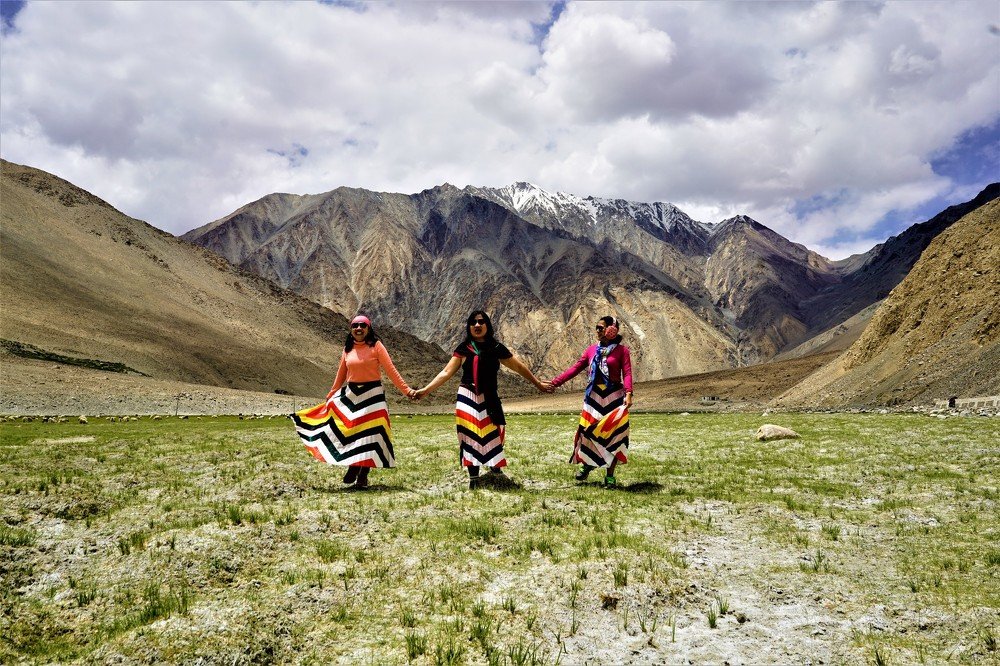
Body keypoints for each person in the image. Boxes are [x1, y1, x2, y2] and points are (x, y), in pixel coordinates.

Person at [415, 310, 549, 489]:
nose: (477, 325)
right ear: (469, 327)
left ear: (487, 325)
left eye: (481, 322)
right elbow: (446, 372)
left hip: (489, 396)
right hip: (467, 395)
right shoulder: (464, 349)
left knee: (495, 431)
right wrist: (426, 390)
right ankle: (474, 477)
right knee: (469, 434)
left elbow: (518, 366)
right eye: (473, 322)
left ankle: (494, 465)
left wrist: (537, 383)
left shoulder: (496, 348)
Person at [292, 315, 415, 488]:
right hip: (352, 395)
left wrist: (407, 391)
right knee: (351, 433)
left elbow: (391, 370)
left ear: (369, 328)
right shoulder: (347, 349)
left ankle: (363, 474)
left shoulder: (377, 346)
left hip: (373, 395)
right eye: (355, 325)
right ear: (351, 329)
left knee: (371, 435)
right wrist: (331, 394)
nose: (359, 328)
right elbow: (341, 373)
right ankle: (353, 466)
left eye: (363, 325)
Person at [548, 315, 633, 487]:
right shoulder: (591, 350)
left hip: (614, 396)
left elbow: (628, 373)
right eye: (597, 327)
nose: (598, 331)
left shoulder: (622, 351)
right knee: (588, 432)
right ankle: (587, 465)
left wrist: (629, 393)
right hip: (593, 398)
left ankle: (610, 475)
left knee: (615, 435)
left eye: (601, 327)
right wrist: (555, 383)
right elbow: (575, 368)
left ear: (612, 329)